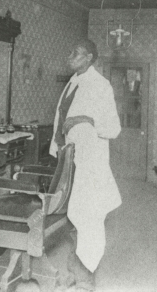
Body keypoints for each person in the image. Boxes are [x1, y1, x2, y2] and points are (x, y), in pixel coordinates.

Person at [50, 39, 122, 291]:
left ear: (89, 57)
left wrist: (86, 118)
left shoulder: (101, 85)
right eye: (71, 51)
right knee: (72, 217)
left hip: (90, 163)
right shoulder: (73, 82)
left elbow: (114, 128)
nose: (70, 56)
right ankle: (76, 269)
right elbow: (62, 119)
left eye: (76, 53)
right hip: (69, 159)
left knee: (89, 218)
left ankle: (86, 279)